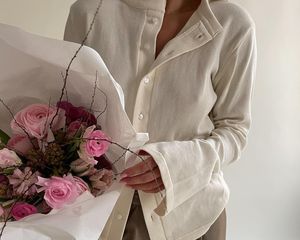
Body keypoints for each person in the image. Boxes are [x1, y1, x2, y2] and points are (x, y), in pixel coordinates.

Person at [64, 0, 256, 239]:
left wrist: (174, 164)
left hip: (189, 217)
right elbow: (68, 115)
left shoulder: (232, 24)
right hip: (98, 216)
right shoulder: (90, 12)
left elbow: (234, 129)